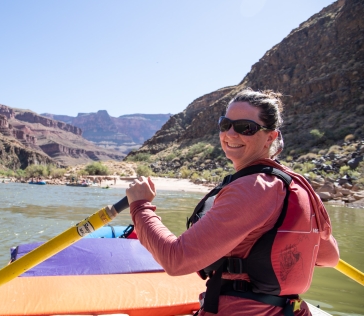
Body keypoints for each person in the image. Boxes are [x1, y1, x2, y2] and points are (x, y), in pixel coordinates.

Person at [126, 88, 339, 316]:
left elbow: (176, 260)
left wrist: (140, 206)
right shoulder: (299, 187)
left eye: (245, 128)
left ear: (270, 137)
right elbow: (329, 257)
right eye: (225, 124)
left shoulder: (253, 188)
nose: (231, 133)